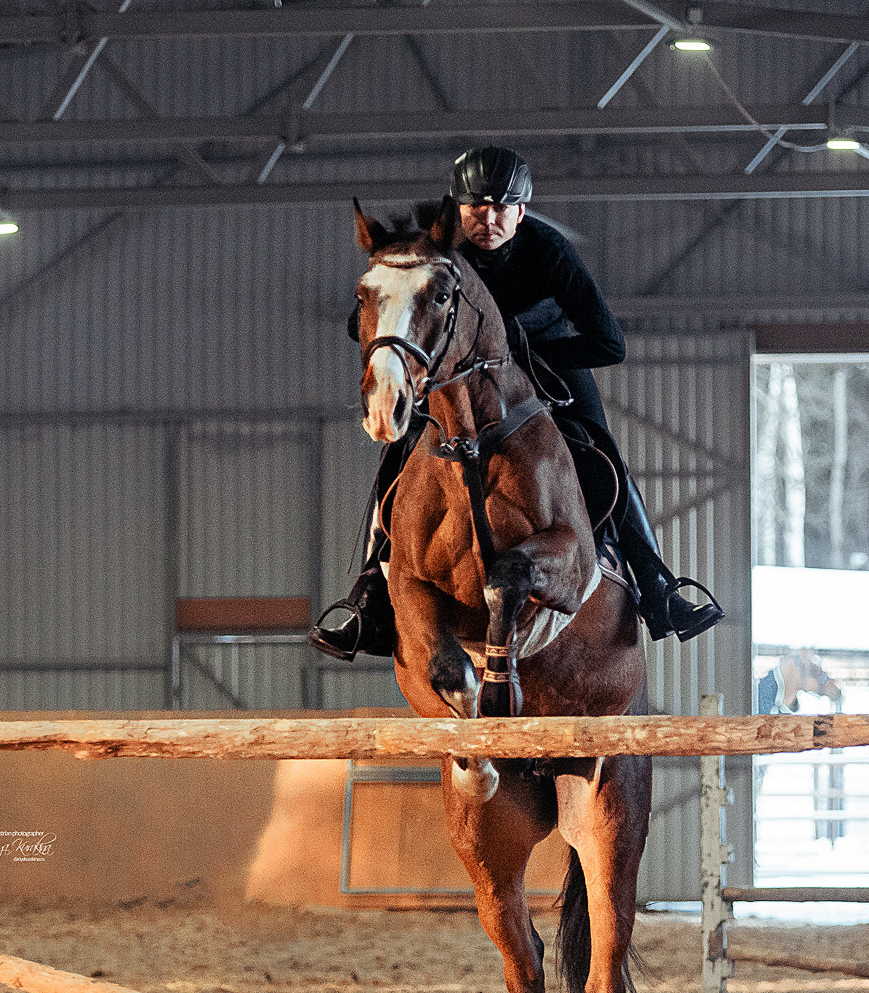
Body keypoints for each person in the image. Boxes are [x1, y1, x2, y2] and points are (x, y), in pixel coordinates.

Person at [310, 144, 725, 661]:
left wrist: (520, 351)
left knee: (600, 451)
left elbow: (609, 343)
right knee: (398, 454)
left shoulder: (548, 252)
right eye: (476, 208)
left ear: (522, 210)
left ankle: (658, 589)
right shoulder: (438, 252)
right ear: (457, 209)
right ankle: (370, 594)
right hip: (456, 380)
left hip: (550, 369)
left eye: (501, 207)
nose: (487, 219)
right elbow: (366, 321)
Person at [754, 649, 842, 714]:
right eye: (813, 670)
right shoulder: (757, 693)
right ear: (794, 663)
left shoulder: (789, 712)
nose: (816, 684)